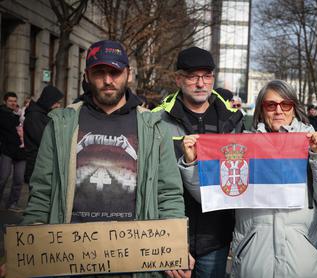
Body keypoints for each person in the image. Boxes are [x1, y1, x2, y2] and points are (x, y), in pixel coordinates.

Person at [19, 40, 190, 278]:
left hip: (134, 261)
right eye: (99, 72)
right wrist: (29, 246)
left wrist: (173, 244)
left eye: (115, 72)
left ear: (128, 74)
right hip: (70, 259)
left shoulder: (154, 127)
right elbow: (42, 192)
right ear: (87, 75)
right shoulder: (61, 124)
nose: (108, 80)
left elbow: (168, 193)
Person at [179, 80, 317, 277]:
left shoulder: (313, 144)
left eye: (285, 104)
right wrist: (192, 162)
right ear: (261, 110)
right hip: (253, 262)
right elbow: (212, 195)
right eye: (271, 105)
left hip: (303, 263)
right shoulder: (242, 146)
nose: (278, 111)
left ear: (294, 109)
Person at [153, 46, 244, 278]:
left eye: (206, 76)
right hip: (169, 233)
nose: (201, 83)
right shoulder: (156, 119)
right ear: (178, 79)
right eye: (193, 76)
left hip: (216, 238)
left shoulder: (232, 120)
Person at [23, 85, 64, 184]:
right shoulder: (35, 116)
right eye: (56, 103)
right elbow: (44, 140)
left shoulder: (44, 114)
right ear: (48, 100)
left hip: (42, 165)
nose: (58, 106)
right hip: (37, 166)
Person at [0, 92, 26, 211]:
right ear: (5, 101)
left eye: (15, 101)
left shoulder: (20, 114)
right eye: (10, 101)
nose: (13, 103)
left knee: (19, 179)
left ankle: (12, 203)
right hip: (7, 150)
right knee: (3, 177)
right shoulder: (2, 113)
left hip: (21, 152)